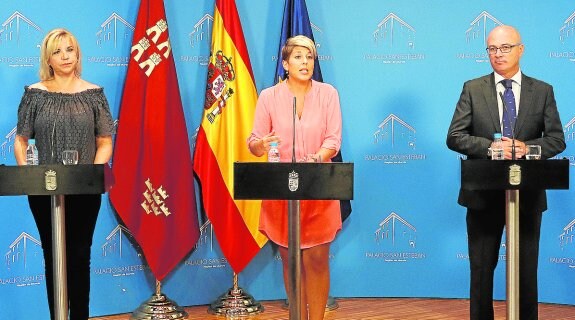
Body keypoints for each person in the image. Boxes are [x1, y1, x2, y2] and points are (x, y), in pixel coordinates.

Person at [446, 25, 565, 320]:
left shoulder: (543, 91)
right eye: (492, 49)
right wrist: (492, 147)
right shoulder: (472, 88)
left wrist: (525, 148)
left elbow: (556, 140)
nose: (498, 55)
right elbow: (455, 136)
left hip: (527, 195)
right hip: (482, 194)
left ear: (520, 50)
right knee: (482, 270)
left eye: (505, 48)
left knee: (526, 272)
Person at [14, 28, 115, 320]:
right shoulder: (34, 94)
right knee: (53, 256)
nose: (65, 56)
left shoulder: (94, 94)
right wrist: (27, 176)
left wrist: (92, 174)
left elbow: (105, 142)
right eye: (57, 51)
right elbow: (21, 141)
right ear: (48, 58)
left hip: (85, 189)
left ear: (78, 53)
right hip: (43, 189)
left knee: (80, 255)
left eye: (69, 49)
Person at [247, 35, 342, 320]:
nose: (305, 62)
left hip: (318, 184)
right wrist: (262, 145)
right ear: (286, 63)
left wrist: (319, 157)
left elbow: (333, 140)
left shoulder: (328, 94)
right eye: (298, 57)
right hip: (282, 187)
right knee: (291, 259)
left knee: (316, 257)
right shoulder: (269, 96)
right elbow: (253, 142)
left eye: (310, 57)